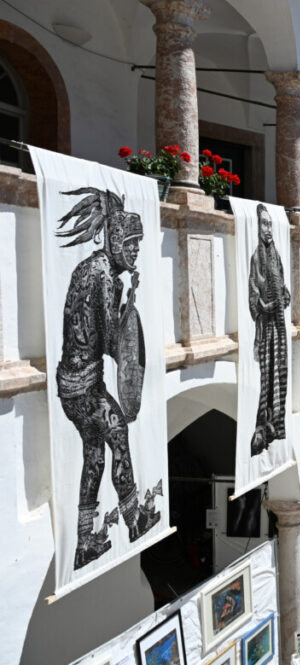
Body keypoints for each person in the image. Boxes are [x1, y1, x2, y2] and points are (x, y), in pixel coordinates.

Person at [56, 187, 163, 569]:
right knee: (118, 433)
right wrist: (128, 333)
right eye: (131, 244)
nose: (135, 251)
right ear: (116, 241)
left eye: (138, 245)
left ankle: (85, 541)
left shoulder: (94, 269)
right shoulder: (102, 276)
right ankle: (134, 521)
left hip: (73, 384)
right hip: (85, 386)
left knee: (94, 456)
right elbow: (107, 340)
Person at [249, 204, 291, 455]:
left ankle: (276, 421)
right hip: (265, 328)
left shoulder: (275, 255)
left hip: (279, 325)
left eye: (270, 224)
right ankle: (263, 424)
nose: (268, 229)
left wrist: (284, 297)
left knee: (279, 371)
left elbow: (282, 285)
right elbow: (254, 290)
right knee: (266, 376)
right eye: (264, 224)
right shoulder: (257, 257)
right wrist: (265, 306)